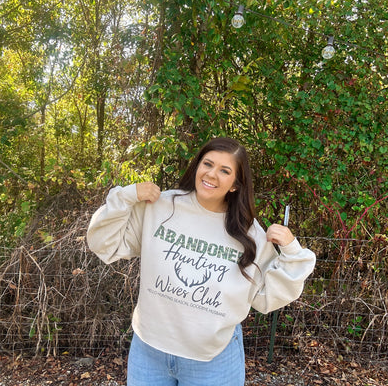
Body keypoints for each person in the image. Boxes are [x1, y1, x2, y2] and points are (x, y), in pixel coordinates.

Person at [87, 137, 316, 386]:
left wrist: (292, 250)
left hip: (212, 359)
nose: (212, 174)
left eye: (225, 170)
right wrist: (127, 196)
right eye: (208, 164)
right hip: (149, 351)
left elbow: (268, 297)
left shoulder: (248, 233)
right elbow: (104, 243)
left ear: (235, 184)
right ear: (197, 166)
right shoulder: (161, 207)